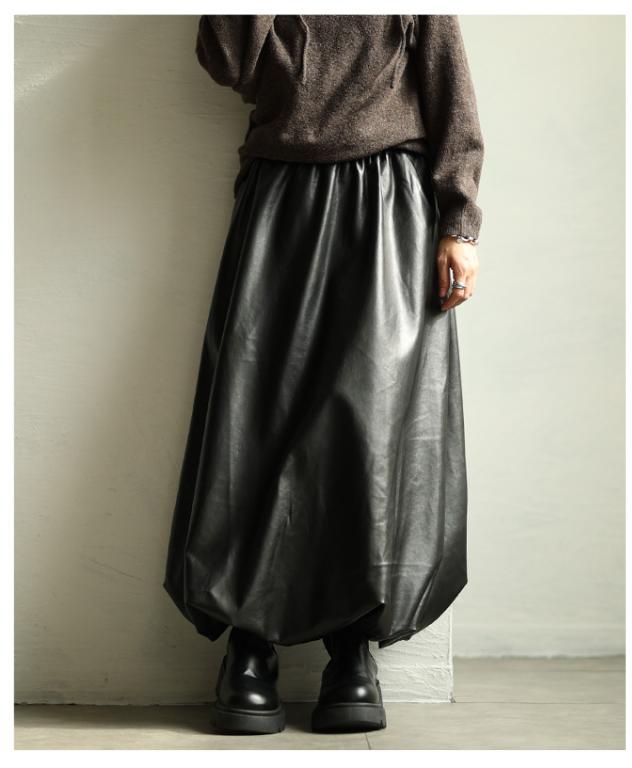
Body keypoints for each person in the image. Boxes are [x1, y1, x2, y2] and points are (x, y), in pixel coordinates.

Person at [163, 14, 484, 735]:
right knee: (252, 417)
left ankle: (351, 649)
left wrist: (459, 222)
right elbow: (226, 62)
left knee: (369, 425)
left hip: (389, 204)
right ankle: (250, 645)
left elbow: (451, 95)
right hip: (278, 198)